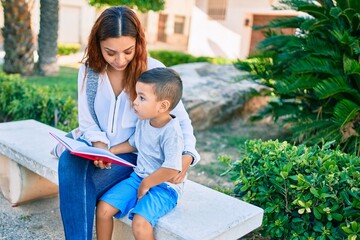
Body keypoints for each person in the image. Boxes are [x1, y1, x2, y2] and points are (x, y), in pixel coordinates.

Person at [58, 6, 200, 240]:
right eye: (110, 52)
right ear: (97, 44)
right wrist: (102, 148)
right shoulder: (88, 71)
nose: (120, 60)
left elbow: (181, 122)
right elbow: (87, 121)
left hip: (137, 158)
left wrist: (187, 156)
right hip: (103, 151)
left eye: (128, 51)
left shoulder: (152, 70)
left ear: (138, 43)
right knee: (69, 163)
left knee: (78, 188)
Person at [96, 67, 185, 240]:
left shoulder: (171, 132)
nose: (135, 102)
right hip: (139, 178)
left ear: (163, 106)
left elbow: (173, 169)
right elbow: (133, 143)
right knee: (103, 209)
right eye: (136, 95)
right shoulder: (144, 121)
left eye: (142, 98)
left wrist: (146, 183)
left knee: (140, 223)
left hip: (164, 187)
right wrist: (110, 152)